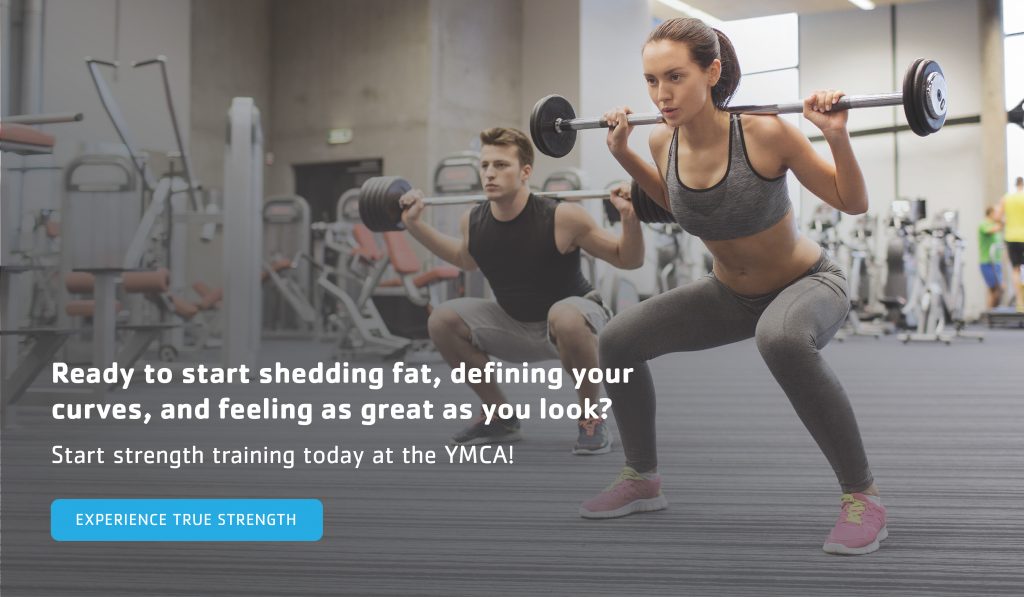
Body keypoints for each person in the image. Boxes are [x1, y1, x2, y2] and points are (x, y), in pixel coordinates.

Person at [579, 17, 886, 556]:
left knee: (782, 339)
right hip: (730, 294)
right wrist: (624, 154)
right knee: (618, 340)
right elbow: (681, 207)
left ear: (712, 71)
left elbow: (851, 201)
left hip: (808, 283)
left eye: (674, 77)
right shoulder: (660, 139)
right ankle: (642, 478)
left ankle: (863, 498)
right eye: (651, 81)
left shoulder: (765, 133)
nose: (661, 94)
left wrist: (835, 135)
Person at [399, 127, 644, 454]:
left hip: (575, 322)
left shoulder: (562, 216)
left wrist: (630, 217)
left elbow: (627, 260)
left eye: (501, 165)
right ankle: (500, 416)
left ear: (525, 172)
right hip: (514, 324)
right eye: (485, 166)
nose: (489, 173)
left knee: (565, 316)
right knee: (442, 319)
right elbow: (464, 259)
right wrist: (414, 225)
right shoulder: (473, 220)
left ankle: (591, 417)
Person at [994, 176, 1024, 312]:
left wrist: (1006, 222)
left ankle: (1020, 303)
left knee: (1016, 269)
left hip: (1012, 237)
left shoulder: (1007, 198)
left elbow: (997, 217)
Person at [978, 206, 1004, 310]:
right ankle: (990, 314)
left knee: (999, 290)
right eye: (997, 212)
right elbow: (991, 230)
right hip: (987, 262)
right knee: (994, 289)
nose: (999, 215)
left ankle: (994, 313)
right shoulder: (984, 224)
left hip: (996, 262)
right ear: (991, 213)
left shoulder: (995, 224)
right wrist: (1003, 222)